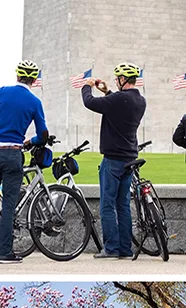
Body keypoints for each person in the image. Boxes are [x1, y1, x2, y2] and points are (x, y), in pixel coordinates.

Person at [0, 60, 48, 264]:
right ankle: (5, 252)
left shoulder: (2, 92)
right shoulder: (34, 102)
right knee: (9, 206)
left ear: (17, 76)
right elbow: (44, 134)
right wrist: (31, 141)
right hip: (13, 154)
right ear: (33, 79)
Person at [82, 63, 146, 260]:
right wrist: (108, 91)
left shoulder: (119, 98)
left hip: (113, 160)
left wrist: (88, 86)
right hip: (129, 159)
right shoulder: (140, 100)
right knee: (123, 206)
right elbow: (117, 106)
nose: (116, 81)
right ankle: (125, 249)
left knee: (107, 205)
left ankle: (111, 248)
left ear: (123, 79)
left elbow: (90, 103)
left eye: (117, 78)